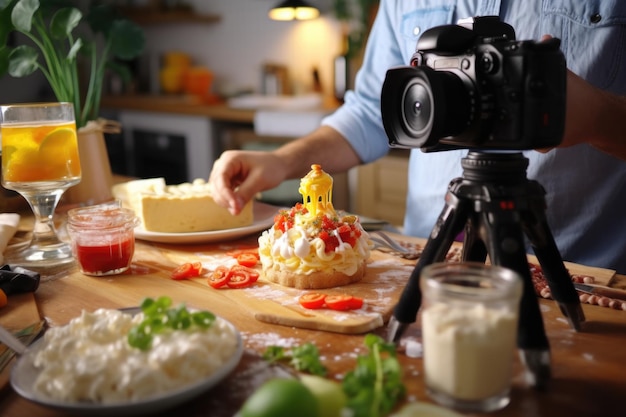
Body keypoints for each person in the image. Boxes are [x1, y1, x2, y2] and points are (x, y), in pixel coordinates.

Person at [209, 0, 626, 274]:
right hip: (431, 261)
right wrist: (281, 162)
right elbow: (373, 112)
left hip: (581, 277)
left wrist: (599, 117)